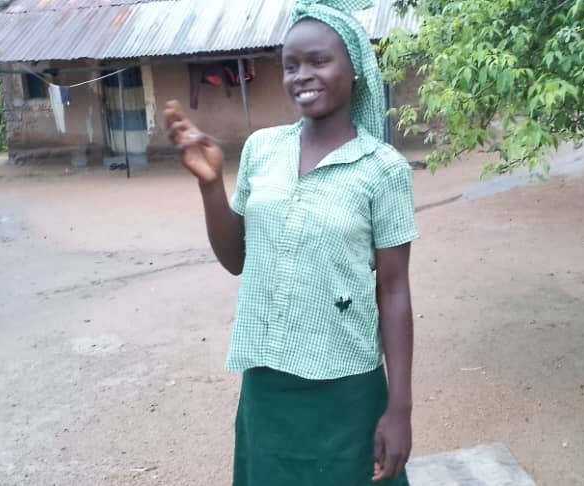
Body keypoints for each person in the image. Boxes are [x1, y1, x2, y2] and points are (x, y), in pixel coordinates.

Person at [164, 0, 417, 483]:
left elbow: (394, 289)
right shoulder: (263, 149)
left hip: (346, 386)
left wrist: (399, 409)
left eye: (318, 61)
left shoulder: (383, 170)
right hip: (267, 381)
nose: (302, 75)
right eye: (290, 65)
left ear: (356, 68)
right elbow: (237, 258)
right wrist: (210, 184)